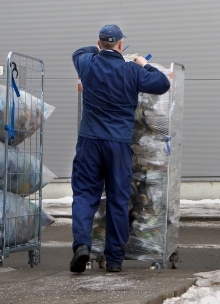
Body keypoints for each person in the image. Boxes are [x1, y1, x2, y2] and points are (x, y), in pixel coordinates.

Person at [70, 24, 170, 273]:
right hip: (118, 144)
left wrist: (98, 48)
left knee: (84, 194)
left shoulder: (88, 64)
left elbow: (77, 53)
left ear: (99, 43)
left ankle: (82, 245)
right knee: (117, 198)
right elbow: (161, 83)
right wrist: (140, 63)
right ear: (121, 45)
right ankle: (114, 259)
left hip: (90, 141)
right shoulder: (132, 71)